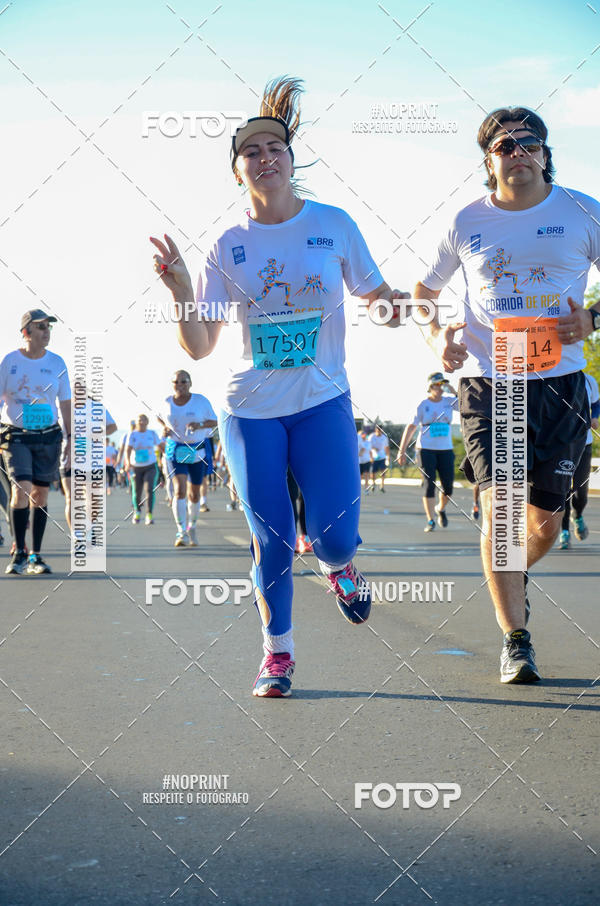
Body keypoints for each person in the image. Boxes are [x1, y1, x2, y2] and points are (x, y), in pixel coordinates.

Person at [151, 76, 408, 697]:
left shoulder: (333, 224)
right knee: (271, 541)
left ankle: (340, 566)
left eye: (275, 149)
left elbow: (377, 297)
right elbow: (200, 346)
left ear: (292, 160)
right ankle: (278, 654)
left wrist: (396, 307)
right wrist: (182, 291)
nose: (265, 158)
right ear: (237, 171)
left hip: (322, 401)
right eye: (251, 152)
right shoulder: (228, 245)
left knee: (333, 536)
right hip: (251, 410)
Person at [415, 106, 600, 684]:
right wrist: (436, 337)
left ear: (545, 154)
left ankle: (510, 573)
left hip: (561, 386)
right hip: (488, 382)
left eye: (529, 143)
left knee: (543, 524)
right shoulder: (465, 220)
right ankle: (515, 639)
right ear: (488, 160)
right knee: (501, 510)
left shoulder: (583, 211)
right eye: (504, 146)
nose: (517, 152)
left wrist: (592, 318)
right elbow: (424, 292)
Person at [0, 309, 71, 575]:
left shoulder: (57, 363)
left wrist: (71, 438)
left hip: (48, 436)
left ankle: (35, 556)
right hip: (16, 436)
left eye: (48, 327)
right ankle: (19, 551)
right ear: (26, 332)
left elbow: (65, 403)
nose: (46, 331)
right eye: (40, 327)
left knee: (40, 494)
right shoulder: (10, 361)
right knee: (22, 490)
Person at [158, 370, 217, 547]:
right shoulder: (167, 402)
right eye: (176, 382)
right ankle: (181, 531)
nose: (180, 385)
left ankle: (192, 527)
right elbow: (160, 418)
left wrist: (199, 425)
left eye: (183, 382)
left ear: (190, 383)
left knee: (194, 494)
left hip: (197, 451)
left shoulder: (200, 401)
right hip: (175, 450)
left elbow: (214, 421)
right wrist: (165, 429)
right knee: (179, 490)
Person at [396, 373, 458, 531]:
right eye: (437, 384)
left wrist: (452, 390)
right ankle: (430, 520)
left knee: (448, 487)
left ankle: (440, 509)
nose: (440, 388)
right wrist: (402, 451)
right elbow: (411, 427)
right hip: (425, 449)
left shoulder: (449, 401)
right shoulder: (423, 404)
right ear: (430, 386)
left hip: (445, 449)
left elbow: (466, 403)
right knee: (429, 485)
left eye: (442, 384)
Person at [59, 390, 116, 531]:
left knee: (93, 501)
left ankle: (90, 529)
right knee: (71, 499)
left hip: (93, 460)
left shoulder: (96, 407)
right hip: (69, 460)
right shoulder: (63, 407)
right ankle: (77, 536)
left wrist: (97, 433)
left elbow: (113, 426)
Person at [558, 371, 599, 549]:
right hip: (560, 445)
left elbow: (596, 404)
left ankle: (578, 515)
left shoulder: (588, 381)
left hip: (584, 443)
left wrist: (594, 417)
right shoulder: (554, 378)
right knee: (563, 490)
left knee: (580, 492)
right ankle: (564, 532)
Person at [124, 415, 162, 525]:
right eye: (139, 420)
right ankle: (137, 511)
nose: (141, 422)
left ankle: (149, 514)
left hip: (150, 465)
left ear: (147, 422)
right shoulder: (132, 434)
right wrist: (128, 463)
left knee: (149, 489)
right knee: (137, 491)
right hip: (136, 467)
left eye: (143, 419)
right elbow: (128, 449)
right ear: (136, 423)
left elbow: (160, 446)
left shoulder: (152, 433)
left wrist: (166, 458)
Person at [368, 425, 389, 492]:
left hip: (382, 457)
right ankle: (373, 484)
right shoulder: (371, 437)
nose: (379, 431)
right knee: (373, 472)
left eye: (380, 430)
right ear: (375, 430)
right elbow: (368, 447)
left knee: (383, 471)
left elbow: (386, 447)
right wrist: (372, 452)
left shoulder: (384, 438)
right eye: (378, 430)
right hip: (374, 457)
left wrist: (388, 457)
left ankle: (382, 486)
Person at [357, 427, 371, 492]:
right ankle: (358, 489)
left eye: (364, 434)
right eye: (361, 434)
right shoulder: (358, 441)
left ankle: (366, 488)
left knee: (366, 475)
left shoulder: (368, 442)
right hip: (359, 462)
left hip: (366, 460)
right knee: (359, 476)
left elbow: (364, 449)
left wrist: (360, 453)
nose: (363, 435)